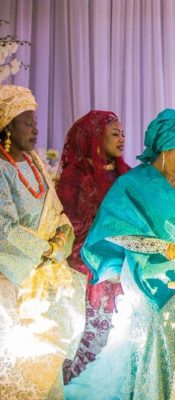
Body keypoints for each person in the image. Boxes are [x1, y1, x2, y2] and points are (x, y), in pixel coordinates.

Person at [64, 108, 175, 400]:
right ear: (162, 148)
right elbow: (115, 232)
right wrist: (159, 246)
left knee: (174, 337)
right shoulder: (132, 183)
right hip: (141, 275)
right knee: (151, 337)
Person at [0, 85, 85, 398]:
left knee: (48, 361)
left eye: (36, 122)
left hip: (46, 276)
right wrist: (45, 249)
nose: (35, 129)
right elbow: (4, 228)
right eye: (27, 123)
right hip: (13, 282)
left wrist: (62, 238)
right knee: (20, 365)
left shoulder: (35, 162)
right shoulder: (1, 168)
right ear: (7, 125)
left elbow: (57, 211)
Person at [57, 110, 131, 382]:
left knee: (118, 341)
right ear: (96, 137)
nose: (122, 138)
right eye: (115, 133)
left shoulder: (125, 175)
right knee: (85, 339)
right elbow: (67, 224)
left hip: (122, 268)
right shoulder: (75, 175)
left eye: (123, 133)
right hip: (86, 271)